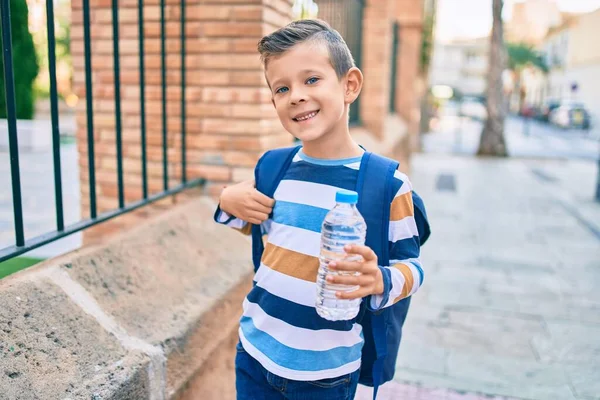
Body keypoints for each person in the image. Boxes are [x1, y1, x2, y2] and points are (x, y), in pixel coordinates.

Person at [214, 19, 425, 400]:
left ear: (349, 85)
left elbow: (413, 267)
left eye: (311, 80)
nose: (296, 95)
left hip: (327, 373)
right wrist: (226, 199)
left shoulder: (387, 185)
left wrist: (378, 280)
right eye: (282, 88)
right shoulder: (273, 168)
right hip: (254, 352)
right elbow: (253, 223)